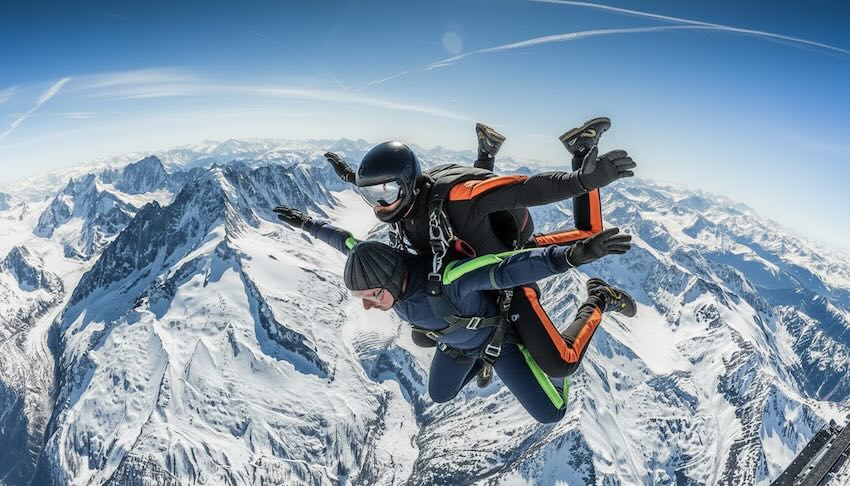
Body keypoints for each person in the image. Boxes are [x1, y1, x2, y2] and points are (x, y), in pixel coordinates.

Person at [319, 118, 635, 382]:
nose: (380, 205)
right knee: (421, 334)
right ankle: (486, 153)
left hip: (511, 258)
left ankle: (599, 297)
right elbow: (392, 191)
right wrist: (351, 176)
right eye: (371, 196)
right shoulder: (406, 205)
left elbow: (526, 189)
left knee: (560, 362)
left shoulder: (459, 196)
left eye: (386, 194)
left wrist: (582, 179)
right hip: (472, 264)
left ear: (409, 185)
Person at [272, 207, 637, 423]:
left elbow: (510, 268)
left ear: (388, 280)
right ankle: (479, 364)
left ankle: (598, 299)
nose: (367, 305)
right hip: (456, 341)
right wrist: (305, 224)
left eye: (371, 296)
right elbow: (347, 243)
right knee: (440, 394)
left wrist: (574, 256)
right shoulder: (379, 266)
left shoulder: (448, 281)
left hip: (498, 341)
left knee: (551, 411)